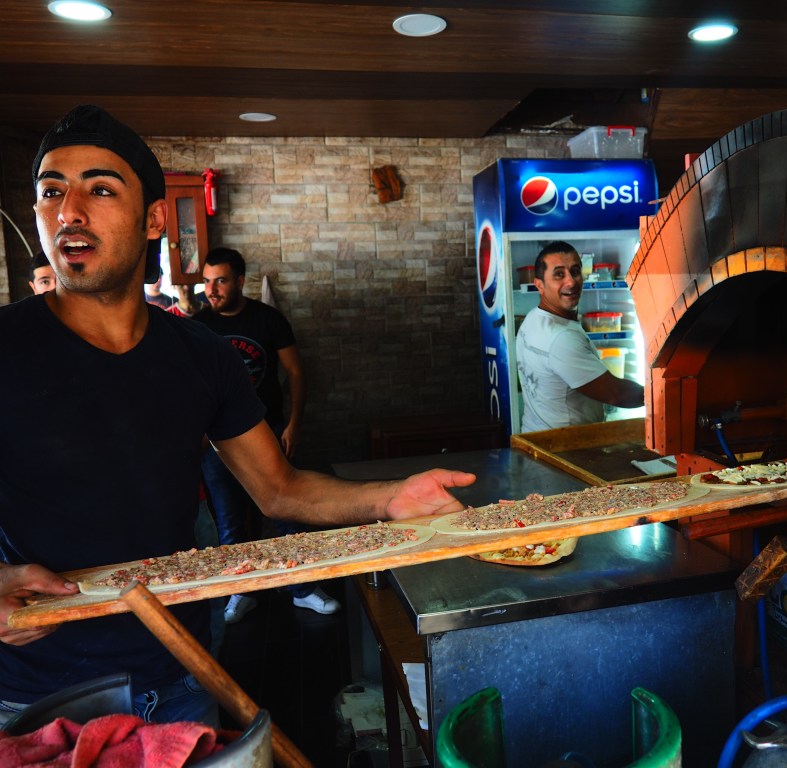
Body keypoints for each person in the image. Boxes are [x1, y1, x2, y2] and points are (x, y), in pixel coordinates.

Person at [0, 104, 474, 728]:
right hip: (35, 697)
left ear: (154, 219)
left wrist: (390, 498)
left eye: (101, 189)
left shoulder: (201, 354)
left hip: (180, 670)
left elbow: (279, 489)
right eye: (51, 192)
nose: (69, 212)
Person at [192, 247, 328, 622]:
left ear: (239, 281)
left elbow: (296, 373)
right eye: (206, 281)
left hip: (267, 430)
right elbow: (190, 386)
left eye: (220, 281)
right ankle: (241, 592)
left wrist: (294, 423)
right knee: (228, 519)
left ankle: (303, 589)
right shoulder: (197, 326)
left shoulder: (268, 319)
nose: (211, 290)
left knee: (290, 510)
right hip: (216, 439)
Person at [516, 241, 644, 432]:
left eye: (575, 271)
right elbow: (616, 394)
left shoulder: (533, 318)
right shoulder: (561, 338)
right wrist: (662, 393)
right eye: (559, 274)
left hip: (536, 434)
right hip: (566, 444)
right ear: (539, 285)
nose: (571, 281)